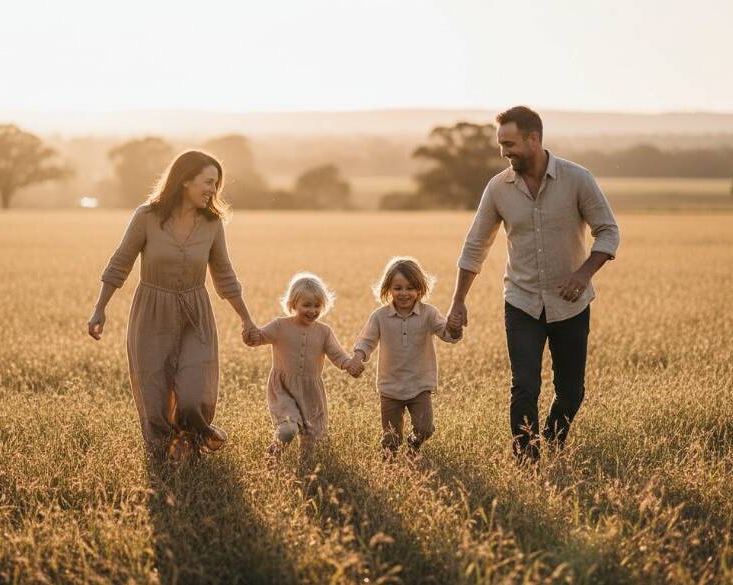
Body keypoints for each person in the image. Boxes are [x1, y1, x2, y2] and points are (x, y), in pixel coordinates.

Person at [447, 106, 620, 462]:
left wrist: (583, 273)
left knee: (571, 391)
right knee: (524, 387)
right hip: (521, 302)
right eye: (500, 144)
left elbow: (608, 231)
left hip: (570, 303)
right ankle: (527, 461)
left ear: (534, 139)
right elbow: (475, 244)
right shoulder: (498, 188)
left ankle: (553, 446)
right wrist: (458, 300)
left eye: (509, 143)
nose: (504, 152)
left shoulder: (577, 179)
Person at [87, 150, 260, 461]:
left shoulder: (212, 223)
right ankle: (164, 456)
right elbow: (120, 263)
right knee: (154, 394)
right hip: (152, 313)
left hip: (196, 314)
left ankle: (193, 438)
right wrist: (100, 309)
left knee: (195, 395)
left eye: (216, 184)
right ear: (185, 181)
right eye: (208, 182)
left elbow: (224, 275)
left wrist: (246, 320)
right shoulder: (146, 217)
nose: (213, 190)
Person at [353, 257, 462, 460]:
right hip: (390, 387)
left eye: (410, 288)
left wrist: (454, 328)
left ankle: (413, 446)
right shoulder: (380, 316)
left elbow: (447, 335)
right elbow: (366, 340)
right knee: (391, 438)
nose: (404, 293)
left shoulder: (429, 314)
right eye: (398, 288)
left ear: (420, 289)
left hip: (420, 385)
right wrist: (358, 358)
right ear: (388, 289)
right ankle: (389, 470)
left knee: (425, 428)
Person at [251, 273, 359, 464]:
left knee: (311, 438)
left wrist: (349, 364)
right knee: (288, 429)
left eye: (317, 305)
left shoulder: (324, 332)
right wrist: (249, 332)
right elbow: (258, 338)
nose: (312, 310)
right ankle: (272, 456)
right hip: (283, 388)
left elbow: (337, 354)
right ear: (293, 304)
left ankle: (304, 472)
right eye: (306, 305)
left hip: (311, 391)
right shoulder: (279, 326)